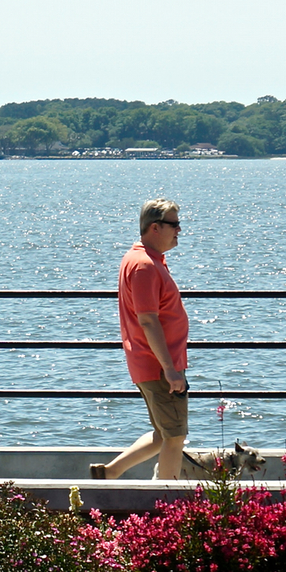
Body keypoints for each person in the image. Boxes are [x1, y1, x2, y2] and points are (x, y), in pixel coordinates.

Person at [91, 198, 189, 480]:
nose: (179, 230)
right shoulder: (144, 265)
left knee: (162, 433)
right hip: (158, 365)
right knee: (174, 437)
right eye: (174, 224)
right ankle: (167, 504)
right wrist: (170, 369)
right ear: (155, 228)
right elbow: (148, 319)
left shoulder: (145, 259)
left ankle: (109, 472)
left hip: (154, 363)